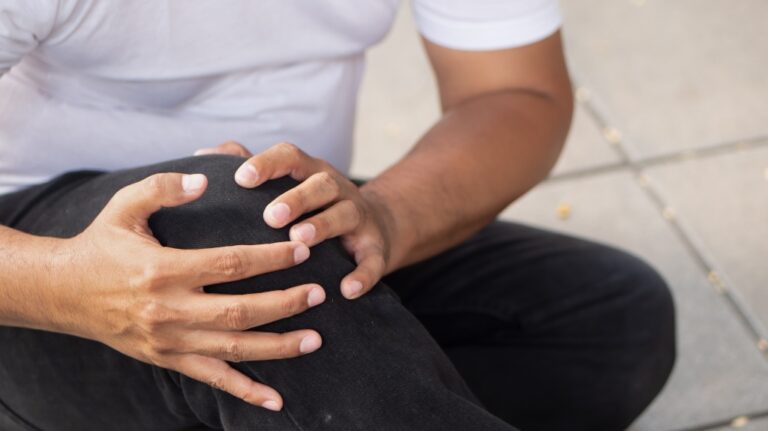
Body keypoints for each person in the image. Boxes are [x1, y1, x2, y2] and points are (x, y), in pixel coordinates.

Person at [0, 1, 675, 430]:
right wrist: (70, 284)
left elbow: (515, 89)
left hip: (283, 225)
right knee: (226, 218)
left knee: (610, 320)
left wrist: (388, 213)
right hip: (40, 280)